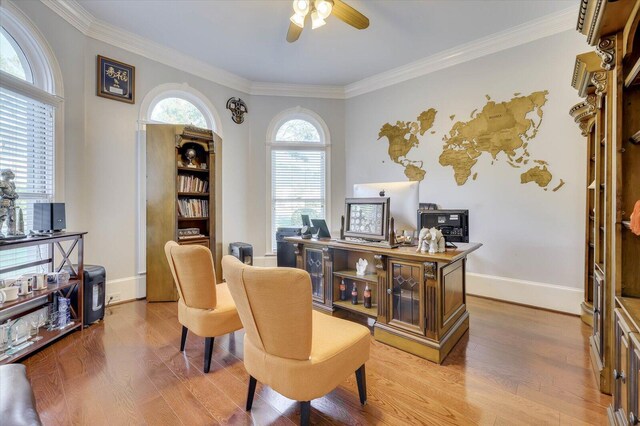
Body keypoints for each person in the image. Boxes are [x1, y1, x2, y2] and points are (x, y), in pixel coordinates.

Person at [0, 169, 19, 237]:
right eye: (8, 173)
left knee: (12, 217)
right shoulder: (1, 182)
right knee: (2, 216)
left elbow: (13, 192)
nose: (10, 174)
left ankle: (11, 231)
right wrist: (7, 196)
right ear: (4, 174)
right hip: (4, 201)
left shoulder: (11, 183)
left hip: (12, 202)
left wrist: (15, 195)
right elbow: (1, 193)